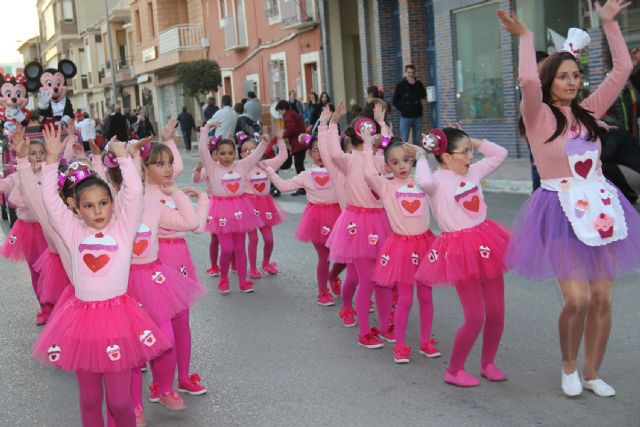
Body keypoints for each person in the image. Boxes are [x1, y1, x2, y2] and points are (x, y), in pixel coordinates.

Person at [500, 2, 640, 398]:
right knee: (576, 298)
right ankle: (568, 365)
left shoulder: (588, 111)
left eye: (576, 75)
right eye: (563, 76)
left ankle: (593, 372)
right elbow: (528, 82)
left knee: (602, 297)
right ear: (550, 80)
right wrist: (526, 38)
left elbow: (621, 72)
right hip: (558, 211)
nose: (572, 82)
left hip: (600, 208)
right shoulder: (537, 115)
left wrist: (609, 24)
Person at [34, 126, 171, 427]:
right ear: (77, 209)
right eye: (89, 206)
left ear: (111, 202)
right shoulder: (73, 232)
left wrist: (123, 159)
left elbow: (134, 195)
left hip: (119, 319)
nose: (97, 211)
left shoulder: (123, 230)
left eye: (103, 203)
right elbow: (51, 204)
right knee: (90, 399)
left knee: (121, 402)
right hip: (82, 321)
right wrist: (50, 161)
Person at [416, 127, 509, 386]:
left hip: (486, 242)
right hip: (459, 250)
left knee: (497, 312)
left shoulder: (474, 172)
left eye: (471, 151)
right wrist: (422, 156)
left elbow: (500, 154)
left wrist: (474, 141)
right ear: (445, 157)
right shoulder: (435, 182)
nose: (470, 156)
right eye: (464, 152)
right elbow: (422, 182)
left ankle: (488, 363)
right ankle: (454, 370)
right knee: (475, 316)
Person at [126, 136, 208, 415]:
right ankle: (148, 391)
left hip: (174, 262)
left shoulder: (166, 195)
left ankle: (177, 380)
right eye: (159, 164)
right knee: (145, 332)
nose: (168, 168)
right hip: (150, 266)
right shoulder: (135, 196)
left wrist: (181, 193)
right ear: (143, 166)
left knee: (178, 324)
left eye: (169, 163)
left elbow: (193, 223)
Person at [361, 119, 438, 365]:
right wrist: (367, 146)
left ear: (412, 160)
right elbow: (368, 173)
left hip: (425, 244)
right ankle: (401, 345)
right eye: (394, 162)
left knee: (426, 296)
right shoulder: (385, 186)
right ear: (387, 166)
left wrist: (420, 151)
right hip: (402, 247)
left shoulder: (421, 182)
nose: (401, 166)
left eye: (405, 160)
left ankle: (425, 341)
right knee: (405, 298)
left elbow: (431, 182)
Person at [319, 103, 394, 349]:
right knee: (367, 280)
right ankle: (364, 332)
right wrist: (331, 124)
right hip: (357, 225)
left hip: (380, 221)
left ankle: (385, 326)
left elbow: (388, 148)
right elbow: (332, 152)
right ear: (353, 138)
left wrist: (381, 123)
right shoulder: (349, 160)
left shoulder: (380, 160)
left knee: (382, 279)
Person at [262, 133, 342, 305]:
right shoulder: (307, 175)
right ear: (310, 153)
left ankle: (333, 276)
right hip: (317, 219)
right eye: (315, 150)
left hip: (340, 217)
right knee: (324, 257)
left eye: (325, 150)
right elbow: (284, 187)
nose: (320, 154)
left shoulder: (339, 170)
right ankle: (323, 292)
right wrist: (269, 171)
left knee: (347, 256)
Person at [198, 123, 268, 294]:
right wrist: (206, 130)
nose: (227, 157)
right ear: (216, 154)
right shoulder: (212, 167)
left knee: (240, 248)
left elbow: (256, 154)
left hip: (240, 209)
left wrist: (265, 141)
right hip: (221, 210)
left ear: (235, 153)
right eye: (222, 153)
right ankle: (223, 278)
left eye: (230, 153)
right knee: (227, 249)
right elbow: (202, 150)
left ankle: (243, 281)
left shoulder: (241, 165)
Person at [0, 136, 49, 324]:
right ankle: (45, 308)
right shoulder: (18, 175)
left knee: (53, 271)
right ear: (24, 157)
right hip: (28, 231)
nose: (37, 157)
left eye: (41, 153)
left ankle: (57, 306)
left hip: (49, 229)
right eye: (32, 154)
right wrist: (24, 176)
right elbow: (15, 200)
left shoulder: (50, 173)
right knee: (36, 271)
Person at [240, 129, 288, 278]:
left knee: (269, 240)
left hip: (265, 205)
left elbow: (283, 156)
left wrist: (280, 139)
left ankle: (266, 264)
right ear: (241, 153)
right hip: (249, 205)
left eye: (252, 150)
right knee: (253, 239)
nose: (248, 153)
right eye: (245, 150)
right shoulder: (241, 166)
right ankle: (253, 268)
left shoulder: (266, 164)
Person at [277, 101, 308, 194]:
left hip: (298, 143)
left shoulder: (288, 116)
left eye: (279, 111)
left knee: (299, 165)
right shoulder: (292, 113)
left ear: (283, 109)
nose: (279, 113)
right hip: (301, 141)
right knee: (299, 165)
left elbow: (292, 129)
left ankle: (303, 187)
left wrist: (281, 135)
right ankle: (303, 186)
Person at [393, 65, 427, 146]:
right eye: (409, 73)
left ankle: (417, 156)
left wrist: (415, 85)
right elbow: (395, 101)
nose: (411, 74)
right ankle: (403, 156)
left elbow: (423, 95)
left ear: (415, 73)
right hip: (405, 116)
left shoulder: (418, 84)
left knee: (417, 139)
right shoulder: (400, 85)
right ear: (406, 73)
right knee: (404, 138)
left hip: (417, 116)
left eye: (412, 72)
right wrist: (403, 108)